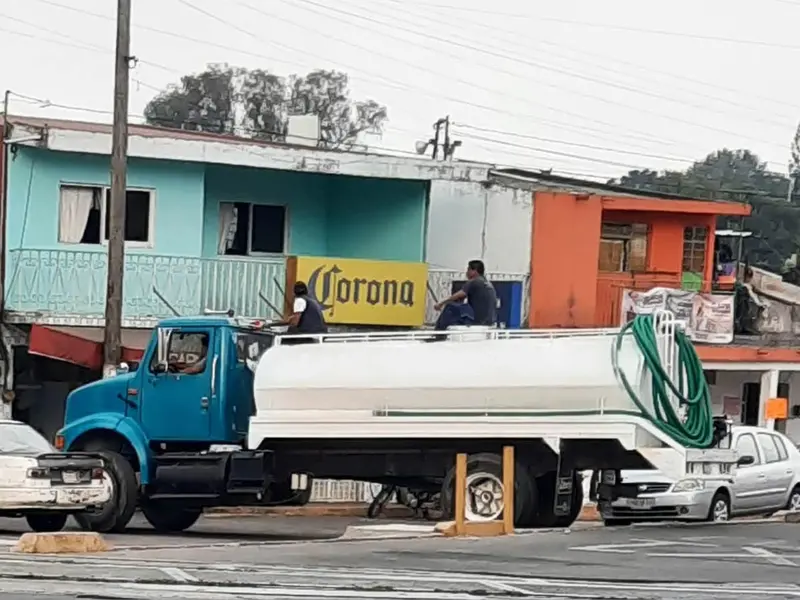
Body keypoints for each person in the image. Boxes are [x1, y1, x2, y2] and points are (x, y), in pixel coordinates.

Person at [434, 259, 497, 326]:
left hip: (478, 321)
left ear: (474, 271)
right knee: (459, 309)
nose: (466, 272)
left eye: (468, 270)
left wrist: (441, 304)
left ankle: (439, 334)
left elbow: (458, 295)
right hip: (490, 321)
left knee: (450, 307)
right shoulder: (488, 283)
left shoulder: (474, 281)